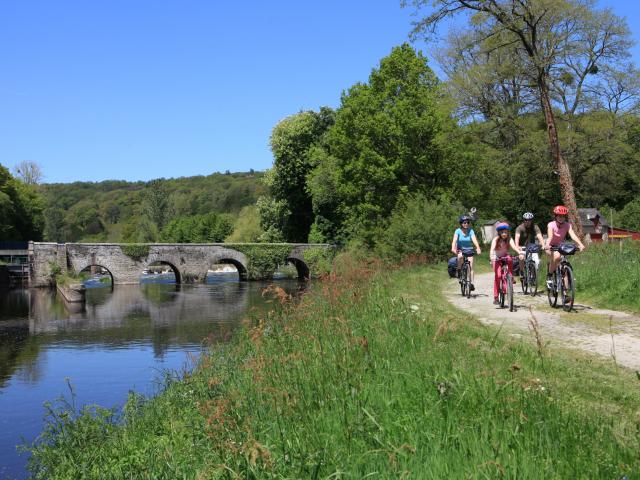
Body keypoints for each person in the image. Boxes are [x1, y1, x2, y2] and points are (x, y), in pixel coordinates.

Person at [544, 205, 586, 289]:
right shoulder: (551, 225)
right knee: (556, 257)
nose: (561, 218)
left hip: (560, 246)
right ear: (555, 216)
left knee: (564, 266)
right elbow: (550, 236)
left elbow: (573, 235)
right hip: (550, 246)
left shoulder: (567, 225)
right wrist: (547, 245)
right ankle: (550, 276)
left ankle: (566, 292)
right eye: (559, 216)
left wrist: (580, 244)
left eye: (563, 216)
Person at [489, 222, 520, 305]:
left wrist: (519, 252)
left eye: (506, 232)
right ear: (499, 233)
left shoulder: (509, 238)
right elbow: (492, 249)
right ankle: (496, 297)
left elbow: (514, 246)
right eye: (502, 232)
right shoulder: (496, 239)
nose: (504, 234)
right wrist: (491, 257)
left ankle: (510, 277)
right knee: (498, 276)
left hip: (505, 256)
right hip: (496, 257)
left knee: (510, 259)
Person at [451, 215, 482, 291]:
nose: (466, 224)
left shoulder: (471, 231)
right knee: (460, 257)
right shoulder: (457, 231)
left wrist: (478, 247)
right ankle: (459, 271)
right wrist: (453, 248)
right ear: (461, 223)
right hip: (460, 249)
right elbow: (454, 241)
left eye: (468, 222)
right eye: (464, 222)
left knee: (470, 266)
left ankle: (471, 283)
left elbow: (474, 240)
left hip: (469, 249)